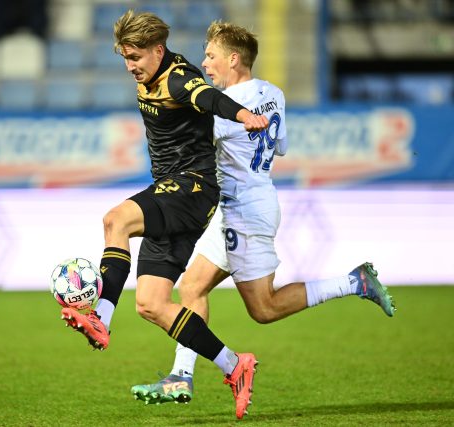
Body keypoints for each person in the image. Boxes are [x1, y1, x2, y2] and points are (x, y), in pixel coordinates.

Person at [129, 20, 397, 410]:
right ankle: (180, 377)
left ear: (234, 59)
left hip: (245, 212)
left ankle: (354, 282)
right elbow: (282, 145)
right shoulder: (273, 94)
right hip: (249, 201)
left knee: (264, 308)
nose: (205, 63)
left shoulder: (223, 112)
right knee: (192, 287)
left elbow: (193, 138)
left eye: (212, 55)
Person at [60, 10, 267, 419]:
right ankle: (234, 365)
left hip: (192, 187)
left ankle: (100, 316)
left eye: (136, 57)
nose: (130, 66)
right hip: (174, 195)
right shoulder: (149, 75)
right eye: (125, 57)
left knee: (115, 220)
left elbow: (207, 96)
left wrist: (244, 117)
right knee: (153, 303)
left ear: (158, 50)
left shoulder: (177, 76)